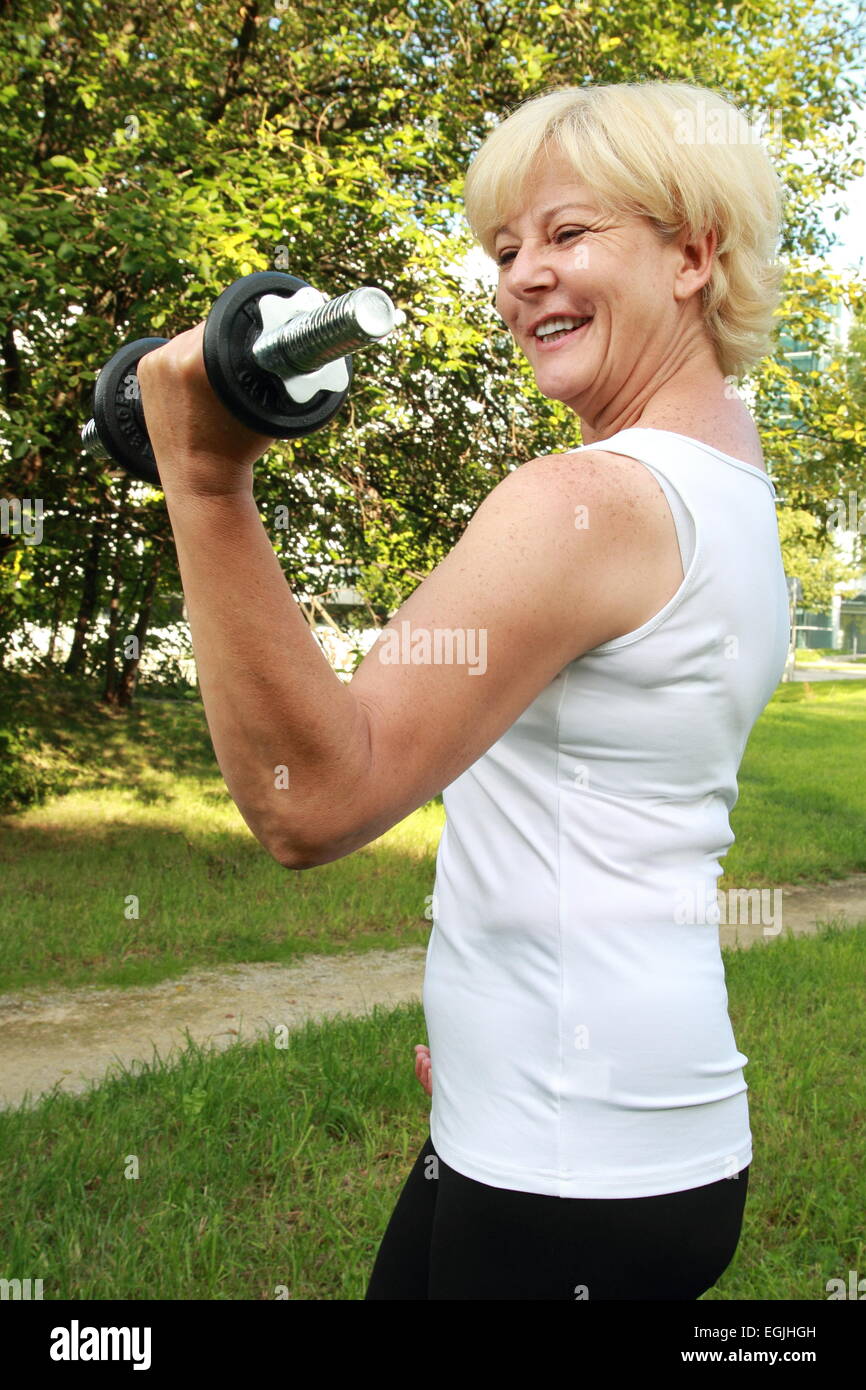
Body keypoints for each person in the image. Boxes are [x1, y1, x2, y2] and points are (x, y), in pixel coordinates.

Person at [134, 80, 789, 1302]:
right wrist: (500, 1031)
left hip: (565, 1170)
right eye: (504, 248)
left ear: (693, 253)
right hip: (647, 1129)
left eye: (566, 233)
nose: (520, 276)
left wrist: (208, 485)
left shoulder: (580, 503)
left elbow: (312, 798)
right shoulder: (732, 498)